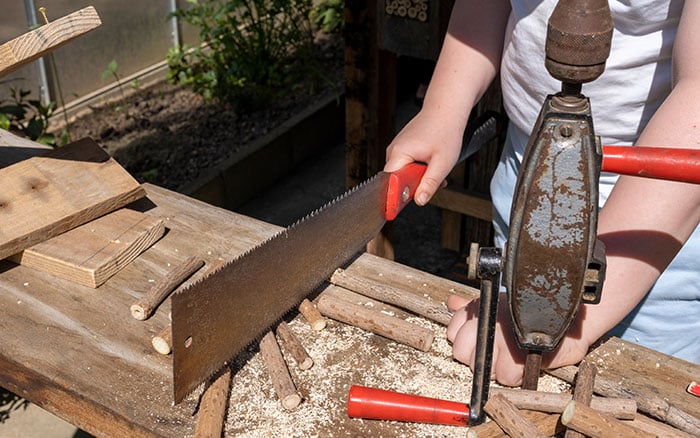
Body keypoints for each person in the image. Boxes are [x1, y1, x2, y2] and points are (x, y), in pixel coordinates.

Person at [384, 0, 700, 386]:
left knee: (640, 392)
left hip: (661, 213)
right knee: (518, 373)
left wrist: (557, 311)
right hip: (530, 167)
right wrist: (444, 107)